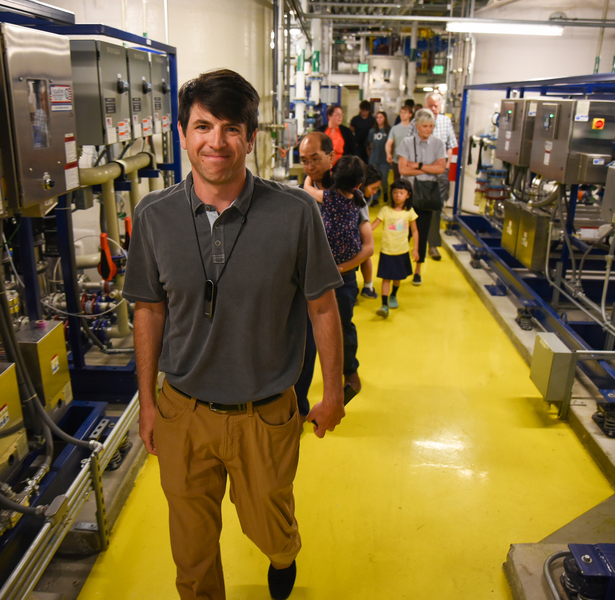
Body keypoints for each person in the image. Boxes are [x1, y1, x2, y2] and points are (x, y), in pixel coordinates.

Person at [123, 69, 346, 600]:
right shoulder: (153, 216)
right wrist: (148, 403)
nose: (215, 142)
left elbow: (322, 307)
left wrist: (333, 392)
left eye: (230, 128)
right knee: (192, 554)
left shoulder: (295, 213)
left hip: (264, 414)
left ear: (250, 137)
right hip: (183, 411)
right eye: (202, 126)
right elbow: (149, 312)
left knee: (268, 527)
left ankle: (283, 551)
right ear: (182, 133)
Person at [296, 133, 373, 414]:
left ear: (331, 156)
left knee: (342, 329)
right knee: (304, 342)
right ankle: (300, 405)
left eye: (315, 159)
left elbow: (368, 246)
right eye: (304, 161)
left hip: (341, 278)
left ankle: (348, 373)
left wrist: (341, 268)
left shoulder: (349, 194)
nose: (310, 166)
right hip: (306, 280)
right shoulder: (297, 195)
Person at [397, 108, 447, 286]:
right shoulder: (406, 143)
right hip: (407, 194)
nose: (429, 129)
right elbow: (403, 169)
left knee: (423, 232)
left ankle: (418, 269)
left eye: (431, 126)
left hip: (427, 194)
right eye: (425, 126)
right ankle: (401, 267)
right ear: (417, 126)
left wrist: (417, 165)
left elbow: (441, 168)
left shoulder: (439, 144)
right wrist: (428, 167)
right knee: (403, 232)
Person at [409, 92, 458, 261]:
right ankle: (413, 241)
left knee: (435, 209)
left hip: (438, 174)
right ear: (425, 105)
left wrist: (445, 166)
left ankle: (433, 245)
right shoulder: (415, 123)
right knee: (414, 206)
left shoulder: (445, 122)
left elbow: (451, 146)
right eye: (431, 105)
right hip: (419, 173)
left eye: (437, 106)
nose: (434, 109)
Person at [371, 179, 419, 318]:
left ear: (408, 195)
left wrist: (415, 249)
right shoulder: (385, 210)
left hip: (402, 250)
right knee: (386, 278)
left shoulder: (409, 212)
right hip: (387, 250)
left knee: (398, 277)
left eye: (401, 193)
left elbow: (415, 231)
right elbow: (374, 225)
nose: (398, 195)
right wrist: (362, 233)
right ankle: (384, 305)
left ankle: (393, 295)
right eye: (395, 192)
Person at [359, 165, 382, 300]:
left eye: (377, 189)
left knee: (365, 255)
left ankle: (368, 286)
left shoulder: (367, 197)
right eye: (373, 188)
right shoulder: (358, 197)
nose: (374, 192)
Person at [386, 104, 413, 188]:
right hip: (397, 159)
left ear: (410, 115)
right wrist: (388, 154)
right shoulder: (395, 128)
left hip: (410, 160)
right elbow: (389, 143)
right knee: (397, 182)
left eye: (405, 113)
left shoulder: (414, 129)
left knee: (408, 183)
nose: (402, 114)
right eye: (401, 112)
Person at [366, 111, 391, 203]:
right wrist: (371, 155)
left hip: (384, 159)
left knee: (384, 178)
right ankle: (375, 198)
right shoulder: (372, 131)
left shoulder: (389, 130)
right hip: (374, 159)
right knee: (373, 179)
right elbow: (369, 144)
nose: (379, 119)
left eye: (381, 117)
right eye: (377, 117)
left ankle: (385, 192)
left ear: (385, 118)